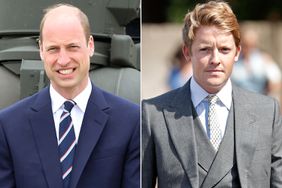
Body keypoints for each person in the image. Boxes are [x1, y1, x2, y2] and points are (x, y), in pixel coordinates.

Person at [142, 1, 282, 188]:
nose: (215, 60)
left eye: (224, 49)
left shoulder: (267, 112)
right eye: (205, 49)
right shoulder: (153, 115)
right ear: (187, 52)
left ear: (237, 52)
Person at [0, 4, 140, 188]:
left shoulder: (130, 121)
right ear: (41, 50)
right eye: (53, 49)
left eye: (72, 47)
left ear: (90, 45)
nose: (63, 60)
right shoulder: (9, 125)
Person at [231, 27, 282, 101]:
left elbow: (276, 81)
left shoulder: (264, 60)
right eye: (245, 44)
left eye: (251, 45)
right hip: (239, 100)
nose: (248, 48)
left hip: (260, 99)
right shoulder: (234, 61)